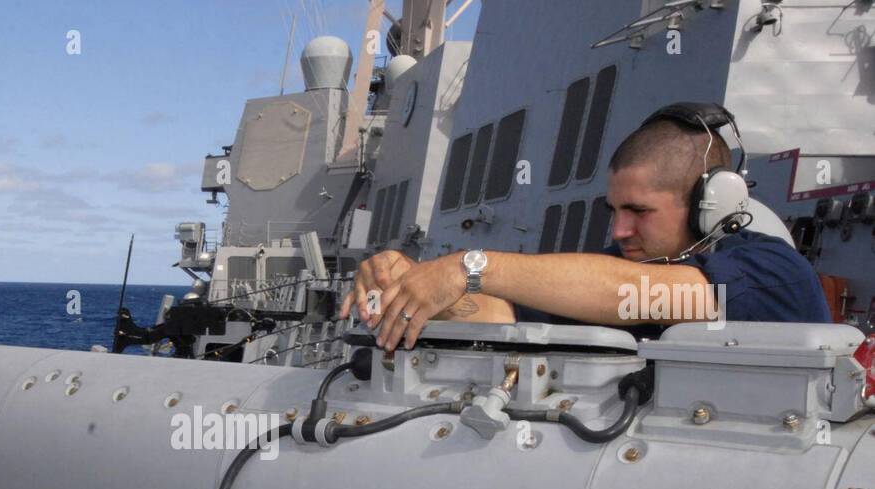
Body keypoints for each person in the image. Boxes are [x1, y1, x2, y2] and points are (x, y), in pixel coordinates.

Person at [339, 103, 831, 350]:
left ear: (712, 203)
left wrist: (470, 265)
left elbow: (644, 295)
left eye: (638, 211)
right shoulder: (617, 273)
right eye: (614, 210)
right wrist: (415, 289)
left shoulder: (769, 275)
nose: (619, 230)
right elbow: (502, 316)